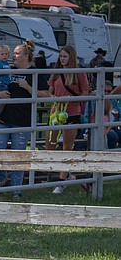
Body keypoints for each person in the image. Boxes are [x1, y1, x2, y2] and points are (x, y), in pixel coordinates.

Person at [0, 41, 38, 200]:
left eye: (16, 53)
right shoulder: (8, 68)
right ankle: (1, 180)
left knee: (18, 155)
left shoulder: (35, 72)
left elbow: (45, 93)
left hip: (22, 119)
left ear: (26, 56)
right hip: (2, 117)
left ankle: (16, 190)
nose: (12, 56)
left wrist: (27, 87)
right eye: (13, 53)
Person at [42, 45, 93, 193]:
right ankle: (69, 175)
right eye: (61, 56)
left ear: (71, 57)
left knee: (67, 147)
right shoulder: (56, 73)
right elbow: (50, 91)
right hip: (55, 113)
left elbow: (85, 94)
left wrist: (72, 98)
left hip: (71, 112)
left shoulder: (79, 73)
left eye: (65, 56)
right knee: (49, 147)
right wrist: (51, 96)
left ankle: (61, 180)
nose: (62, 59)